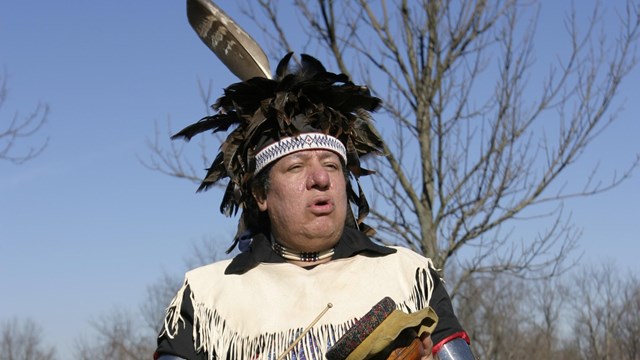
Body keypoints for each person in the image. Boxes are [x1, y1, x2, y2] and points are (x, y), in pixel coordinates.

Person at [154, 53, 474, 360]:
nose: (320, 178)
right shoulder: (208, 297)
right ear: (260, 195)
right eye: (296, 166)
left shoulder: (409, 276)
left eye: (332, 166)